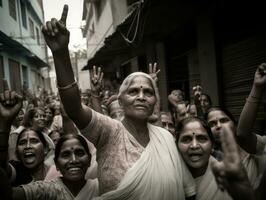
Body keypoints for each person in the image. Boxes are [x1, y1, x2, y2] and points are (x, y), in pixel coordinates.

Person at [42, 5, 195, 199]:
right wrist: (61, 53)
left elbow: (188, 191)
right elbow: (74, 109)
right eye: (133, 91)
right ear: (120, 101)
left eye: (148, 92)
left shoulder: (165, 138)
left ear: (155, 100)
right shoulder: (110, 131)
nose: (141, 96)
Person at [2, 134, 99, 200]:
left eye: (80, 153)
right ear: (56, 164)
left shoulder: (101, 187)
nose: (73, 160)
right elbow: (8, 195)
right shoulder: (47, 190)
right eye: (66, 155)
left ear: (89, 159)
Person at [176, 117, 232, 200]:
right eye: (186, 139)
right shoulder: (169, 178)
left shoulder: (227, 178)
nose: (194, 146)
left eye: (202, 138)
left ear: (212, 144)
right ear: (176, 145)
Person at [205, 107, 261, 188]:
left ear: (234, 124)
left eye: (224, 120)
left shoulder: (253, 149)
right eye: (212, 124)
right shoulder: (208, 161)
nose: (219, 126)